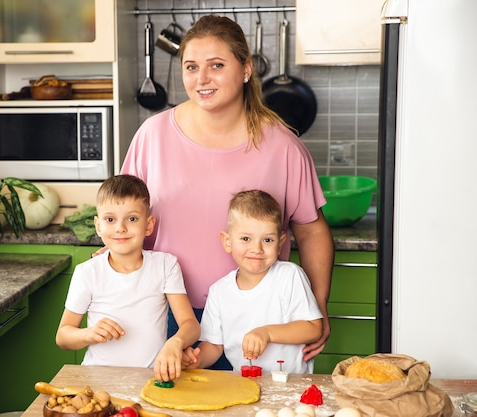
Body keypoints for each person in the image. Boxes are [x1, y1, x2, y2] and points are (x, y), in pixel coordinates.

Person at [120, 14, 334, 366]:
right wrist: (114, 253)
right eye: (191, 67)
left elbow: (311, 231)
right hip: (164, 311)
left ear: (246, 69)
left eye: (216, 65)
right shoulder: (152, 136)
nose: (201, 79)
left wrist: (318, 306)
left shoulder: (282, 146)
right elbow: (129, 215)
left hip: (258, 318)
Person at [55, 174, 200, 382]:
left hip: (151, 380)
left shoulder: (165, 265)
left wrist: (175, 342)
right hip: (98, 380)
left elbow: (191, 325)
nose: (120, 228)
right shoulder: (87, 272)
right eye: (110, 219)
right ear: (98, 226)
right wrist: (89, 333)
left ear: (148, 225)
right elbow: (63, 337)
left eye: (132, 219)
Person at [181, 190, 323, 373]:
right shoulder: (219, 291)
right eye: (246, 239)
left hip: (291, 389)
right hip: (244, 387)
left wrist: (267, 333)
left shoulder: (290, 276)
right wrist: (196, 360)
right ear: (227, 241)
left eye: (267, 240)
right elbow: (215, 346)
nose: (256, 249)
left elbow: (313, 328)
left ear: (280, 243)